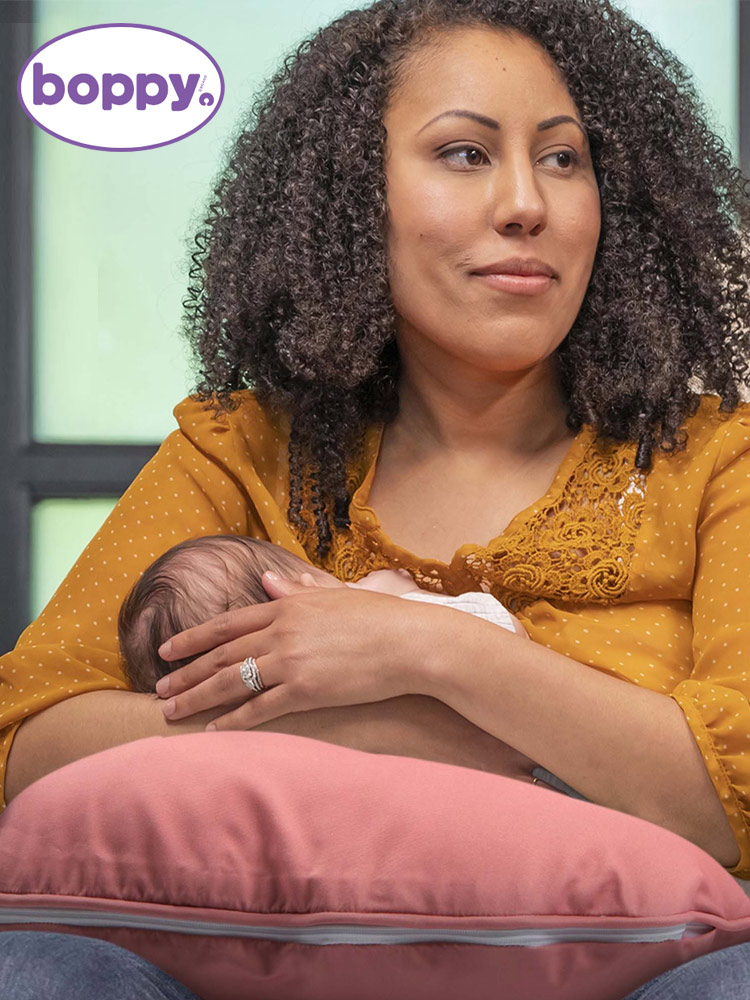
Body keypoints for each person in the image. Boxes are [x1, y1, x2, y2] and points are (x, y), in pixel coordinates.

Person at [2, 0, 750, 995]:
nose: (528, 202)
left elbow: (726, 800)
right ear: (352, 202)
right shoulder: (241, 455)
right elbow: (35, 745)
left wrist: (419, 647)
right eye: (465, 154)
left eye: (565, 159)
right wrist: (385, 724)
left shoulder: (718, 464)